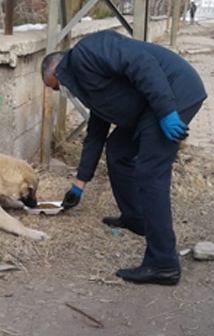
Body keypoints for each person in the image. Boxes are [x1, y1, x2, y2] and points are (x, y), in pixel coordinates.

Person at [41, 30, 207, 286]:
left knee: (150, 172)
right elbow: (95, 136)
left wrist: (165, 111)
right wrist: (78, 184)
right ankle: (136, 218)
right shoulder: (90, 84)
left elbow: (142, 63)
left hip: (173, 93)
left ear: (58, 70)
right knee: (117, 149)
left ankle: (163, 264)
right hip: (151, 105)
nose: (60, 92)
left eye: (55, 87)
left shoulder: (89, 50)